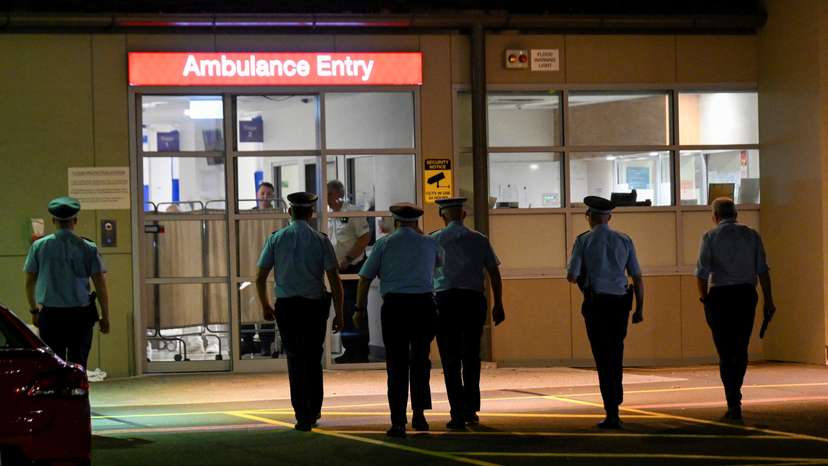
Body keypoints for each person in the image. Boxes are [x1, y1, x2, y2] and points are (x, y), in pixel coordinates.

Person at [255, 192, 345, 431]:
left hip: (287, 307)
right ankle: (314, 409)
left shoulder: (276, 239)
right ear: (312, 213)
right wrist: (340, 312)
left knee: (295, 359)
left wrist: (265, 304)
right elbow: (334, 280)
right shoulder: (321, 240)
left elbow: (260, 277)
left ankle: (301, 415)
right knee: (313, 358)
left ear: (289, 212)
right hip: (314, 307)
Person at [354, 203, 442, 438]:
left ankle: (398, 421)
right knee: (421, 361)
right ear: (417, 222)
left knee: (396, 364)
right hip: (424, 305)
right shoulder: (429, 243)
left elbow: (364, 277)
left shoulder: (384, 243)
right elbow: (439, 264)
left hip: (395, 307)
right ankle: (420, 415)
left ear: (395, 221)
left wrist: (359, 308)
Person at [567, 196, 644, 429]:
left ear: (589, 217)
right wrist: (640, 308)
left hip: (596, 304)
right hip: (621, 304)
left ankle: (611, 409)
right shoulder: (624, 240)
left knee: (602, 357)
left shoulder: (583, 241)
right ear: (609, 217)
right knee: (616, 352)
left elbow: (571, 275)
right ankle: (616, 402)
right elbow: (637, 277)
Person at [696, 197, 776, 421]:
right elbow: (763, 270)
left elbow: (702, 273)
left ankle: (732, 399)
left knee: (724, 350)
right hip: (745, 295)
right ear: (736, 214)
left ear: (715, 216)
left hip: (720, 297)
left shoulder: (710, 237)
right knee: (740, 348)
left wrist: (705, 300)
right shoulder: (751, 235)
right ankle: (736, 393)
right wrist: (768, 301)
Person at [431, 197, 505, 430]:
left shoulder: (434, 240)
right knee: (471, 356)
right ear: (463, 215)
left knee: (450, 358)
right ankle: (471, 408)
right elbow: (493, 273)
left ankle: (457, 413)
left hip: (445, 301)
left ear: (443, 215)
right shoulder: (479, 239)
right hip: (473, 301)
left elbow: (426, 272)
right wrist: (499, 304)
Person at [23, 196, 111, 368]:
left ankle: (58, 395)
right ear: (75, 220)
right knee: (78, 365)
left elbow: (29, 282)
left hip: (51, 317)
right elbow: (100, 285)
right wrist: (105, 317)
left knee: (53, 367)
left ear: (53, 220)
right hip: (80, 317)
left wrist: (34, 311)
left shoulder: (39, 247)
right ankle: (77, 395)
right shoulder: (88, 248)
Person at [326, 180, 371, 363]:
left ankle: (361, 350)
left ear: (338, 194)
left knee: (356, 307)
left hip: (353, 267)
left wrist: (349, 258)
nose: (326, 198)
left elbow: (365, 237)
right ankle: (349, 349)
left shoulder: (352, 212)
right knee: (342, 309)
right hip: (336, 270)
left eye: (329, 194)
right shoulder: (327, 215)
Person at [242, 181, 278, 357]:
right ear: (257, 195)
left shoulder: (277, 217)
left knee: (268, 301)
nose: (265, 197)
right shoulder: (246, 217)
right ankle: (247, 341)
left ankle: (266, 343)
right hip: (249, 265)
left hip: (269, 268)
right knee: (246, 304)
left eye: (269, 194)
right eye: (262, 193)